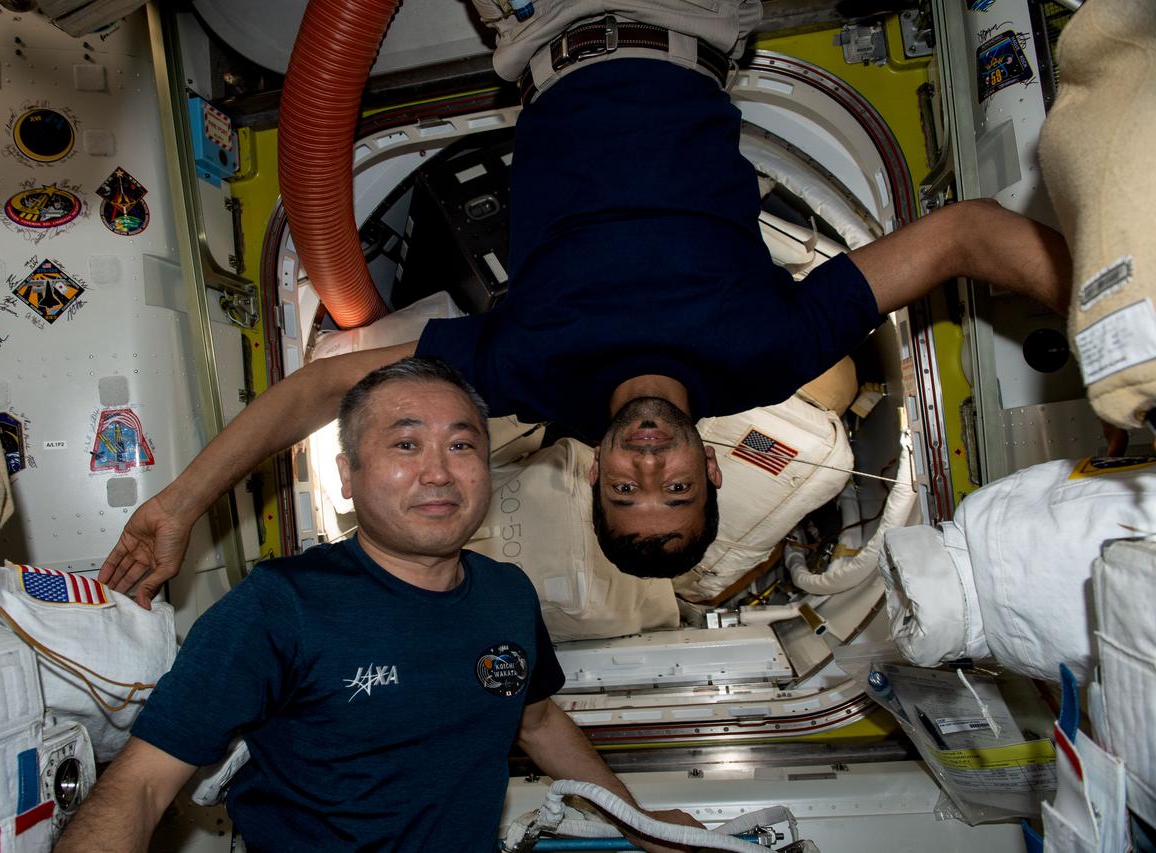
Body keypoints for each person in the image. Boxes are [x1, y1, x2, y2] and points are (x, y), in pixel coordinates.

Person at [99, 0, 1072, 603]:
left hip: (539, 29)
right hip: (685, 16)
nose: (647, 467)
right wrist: (1112, 325)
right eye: (675, 489)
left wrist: (180, 504)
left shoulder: (525, 376)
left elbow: (320, 391)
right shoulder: (771, 350)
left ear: (595, 473)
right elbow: (962, 235)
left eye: (624, 490)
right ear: (711, 469)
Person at [58, 358, 700, 852]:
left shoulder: (507, 593)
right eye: (405, 444)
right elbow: (141, 785)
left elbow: (537, 723)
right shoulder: (278, 606)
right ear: (347, 475)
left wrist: (640, 824)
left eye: (462, 445)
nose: (438, 472)